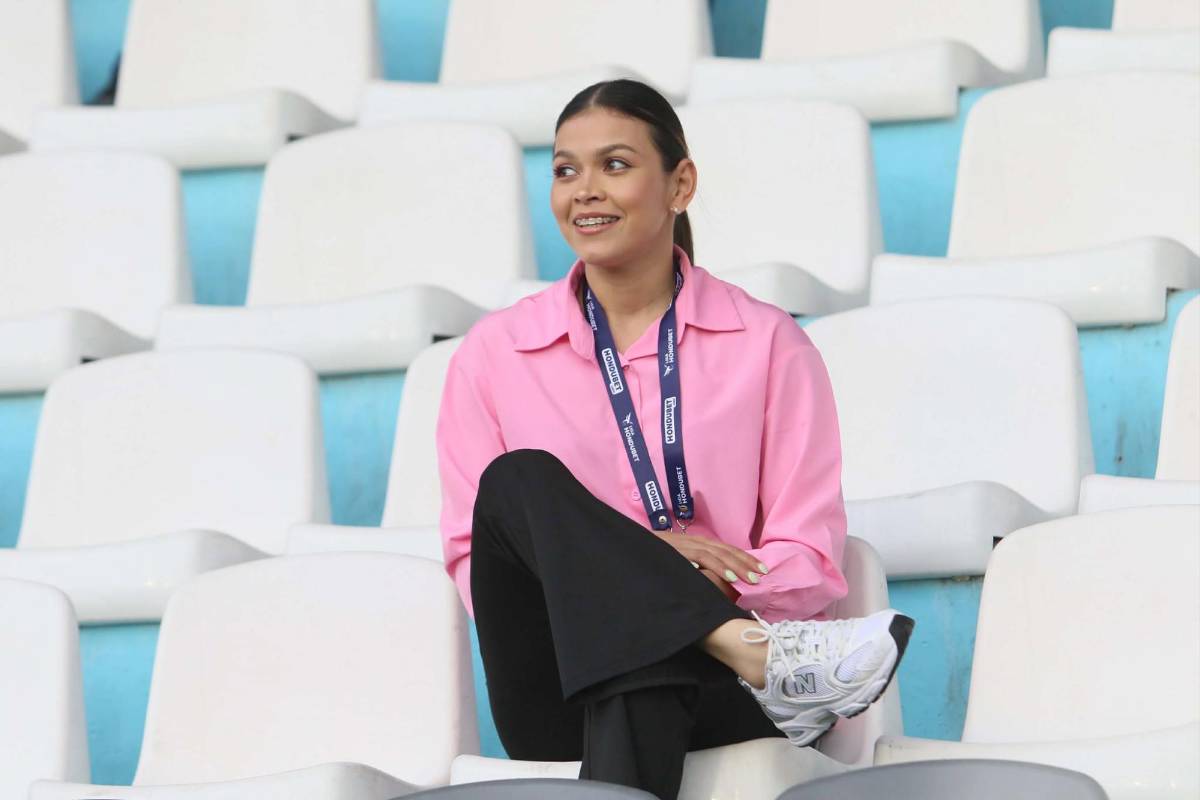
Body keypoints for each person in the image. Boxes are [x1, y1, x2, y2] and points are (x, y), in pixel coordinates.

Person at [436, 79, 913, 800]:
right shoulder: (493, 354)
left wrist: (649, 601)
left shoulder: (768, 344)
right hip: (559, 682)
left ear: (680, 184)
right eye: (566, 170)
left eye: (616, 165)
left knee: (638, 672)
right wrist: (651, 560)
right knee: (518, 481)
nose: (584, 191)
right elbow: (479, 558)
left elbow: (808, 554)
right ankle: (750, 650)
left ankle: (733, 649)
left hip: (727, 697)